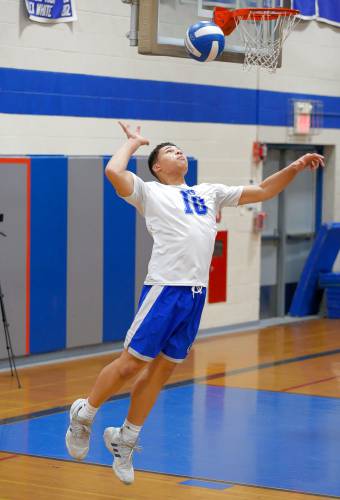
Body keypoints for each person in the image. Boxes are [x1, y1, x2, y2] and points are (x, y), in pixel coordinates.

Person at [65, 121, 324, 484]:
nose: (178, 152)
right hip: (165, 290)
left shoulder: (209, 192)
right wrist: (135, 143)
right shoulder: (149, 191)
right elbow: (113, 170)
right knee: (131, 365)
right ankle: (84, 414)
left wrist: (294, 167)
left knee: (162, 370)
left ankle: (126, 438)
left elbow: (264, 190)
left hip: (195, 295)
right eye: (169, 151)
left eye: (179, 149)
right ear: (156, 165)